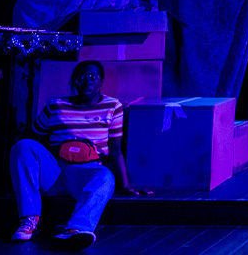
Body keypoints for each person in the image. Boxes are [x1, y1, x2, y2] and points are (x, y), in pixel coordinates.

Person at [9, 60, 147, 250]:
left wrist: (126, 185)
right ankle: (30, 220)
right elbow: (33, 136)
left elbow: (115, 151)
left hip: (86, 173)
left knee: (106, 177)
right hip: (55, 172)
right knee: (23, 146)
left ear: (101, 81)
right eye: (81, 77)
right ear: (74, 81)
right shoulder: (56, 105)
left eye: (93, 77)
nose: (87, 82)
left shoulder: (113, 106)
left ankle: (75, 230)